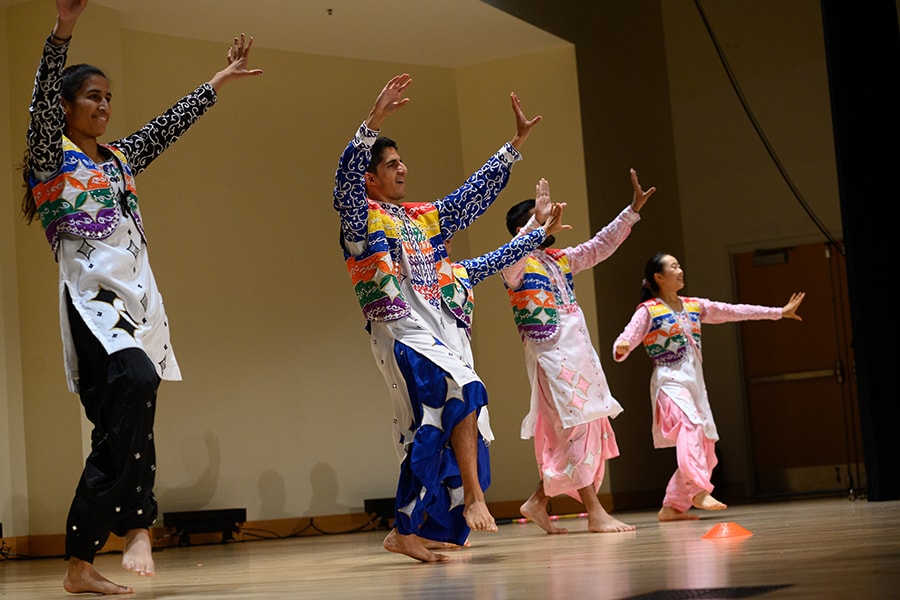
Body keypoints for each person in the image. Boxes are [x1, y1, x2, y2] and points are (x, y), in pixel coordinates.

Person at [21, 0, 262, 594]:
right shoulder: (53, 157)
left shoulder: (121, 159)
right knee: (134, 386)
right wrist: (64, 32)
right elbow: (39, 97)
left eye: (108, 98)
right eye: (92, 97)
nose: (103, 106)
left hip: (140, 305)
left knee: (129, 416)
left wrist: (216, 82)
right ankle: (134, 525)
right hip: (91, 304)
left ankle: (87, 557)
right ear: (66, 108)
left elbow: (167, 126)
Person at [333, 73, 541, 562]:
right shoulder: (360, 215)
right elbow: (342, 178)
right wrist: (373, 120)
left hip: (432, 337)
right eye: (391, 163)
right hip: (399, 332)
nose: (403, 168)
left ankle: (409, 528)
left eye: (402, 160)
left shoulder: (420, 219)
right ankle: (467, 500)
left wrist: (512, 148)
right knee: (459, 394)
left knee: (430, 428)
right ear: (370, 176)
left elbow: (468, 201)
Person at [501, 172, 655, 534]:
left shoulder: (559, 260)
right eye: (540, 216)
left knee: (587, 428)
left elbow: (600, 246)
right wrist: (536, 223)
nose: (549, 221)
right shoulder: (516, 265)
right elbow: (510, 264)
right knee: (574, 431)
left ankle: (538, 501)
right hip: (552, 358)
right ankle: (594, 511)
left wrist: (632, 210)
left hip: (578, 357)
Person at [612, 253, 805, 521]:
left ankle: (672, 506)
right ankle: (699, 491)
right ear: (659, 277)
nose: (680, 270)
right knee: (690, 429)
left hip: (695, 385)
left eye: (680, 265)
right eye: (674, 267)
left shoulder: (694, 306)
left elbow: (733, 310)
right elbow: (630, 334)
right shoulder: (648, 310)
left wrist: (777, 313)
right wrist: (622, 346)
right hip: (669, 383)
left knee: (705, 447)